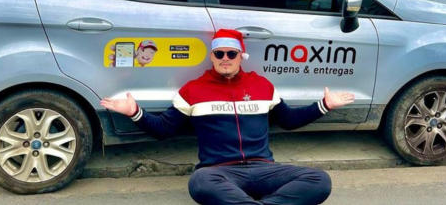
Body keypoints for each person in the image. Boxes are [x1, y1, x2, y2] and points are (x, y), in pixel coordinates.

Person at [101, 29, 355, 205]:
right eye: (219, 54)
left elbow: (288, 120)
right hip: (220, 173)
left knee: (319, 180)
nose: (225, 59)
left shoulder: (262, 86)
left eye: (231, 54)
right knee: (199, 182)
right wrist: (134, 112)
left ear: (240, 56)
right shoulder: (193, 89)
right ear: (211, 57)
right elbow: (164, 129)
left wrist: (323, 105)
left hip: (265, 169)